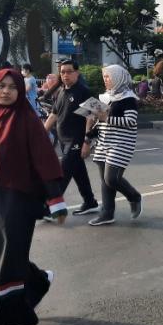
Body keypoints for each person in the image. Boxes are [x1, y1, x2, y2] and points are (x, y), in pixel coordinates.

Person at [0, 68, 67, 325]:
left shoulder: (27, 120)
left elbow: (44, 159)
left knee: (4, 260)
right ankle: (36, 281)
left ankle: (6, 319)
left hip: (17, 198)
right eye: (2, 86)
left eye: (13, 87)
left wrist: (55, 200)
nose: (7, 91)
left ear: (21, 91)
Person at [84, 65, 143, 226]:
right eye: (104, 76)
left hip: (122, 143)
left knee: (111, 178)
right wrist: (88, 137)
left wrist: (106, 118)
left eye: (108, 76)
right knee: (105, 180)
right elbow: (96, 120)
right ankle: (107, 213)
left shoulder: (128, 98)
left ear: (118, 77)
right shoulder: (104, 97)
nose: (105, 79)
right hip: (104, 142)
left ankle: (134, 197)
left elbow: (131, 121)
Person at [44, 59, 99, 216]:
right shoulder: (61, 91)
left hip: (76, 140)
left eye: (69, 71)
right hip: (63, 140)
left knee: (63, 172)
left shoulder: (83, 91)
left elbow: (93, 115)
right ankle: (90, 202)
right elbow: (54, 115)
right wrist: (41, 135)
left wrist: (87, 141)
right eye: (62, 72)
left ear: (77, 73)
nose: (65, 75)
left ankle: (51, 207)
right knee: (78, 172)